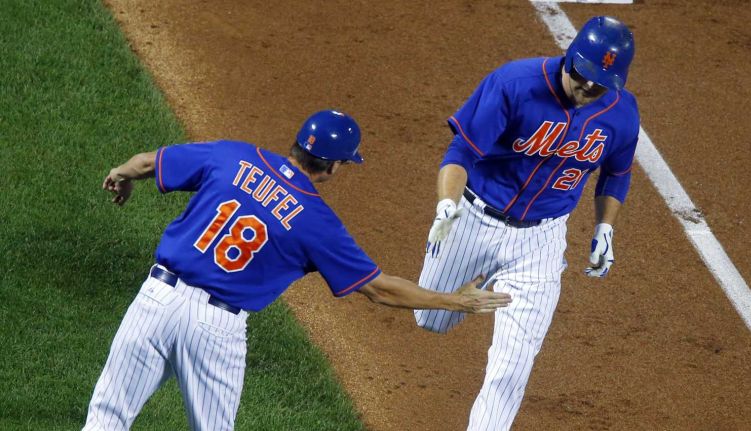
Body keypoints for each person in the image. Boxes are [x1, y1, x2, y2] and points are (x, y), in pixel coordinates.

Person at [83, 109, 512, 431]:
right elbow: (379, 289)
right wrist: (455, 301)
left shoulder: (233, 155)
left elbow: (147, 162)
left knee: (106, 418)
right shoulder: (317, 222)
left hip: (157, 297)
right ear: (334, 166)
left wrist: (121, 174)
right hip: (214, 328)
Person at [414, 16, 639, 430]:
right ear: (570, 58)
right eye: (583, 75)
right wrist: (447, 203)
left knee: (512, 365)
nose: (588, 88)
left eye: (600, 84)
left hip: (541, 239)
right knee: (430, 317)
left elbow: (616, 173)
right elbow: (462, 151)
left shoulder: (621, 113)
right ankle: (478, 278)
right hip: (475, 219)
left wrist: (605, 228)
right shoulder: (514, 84)